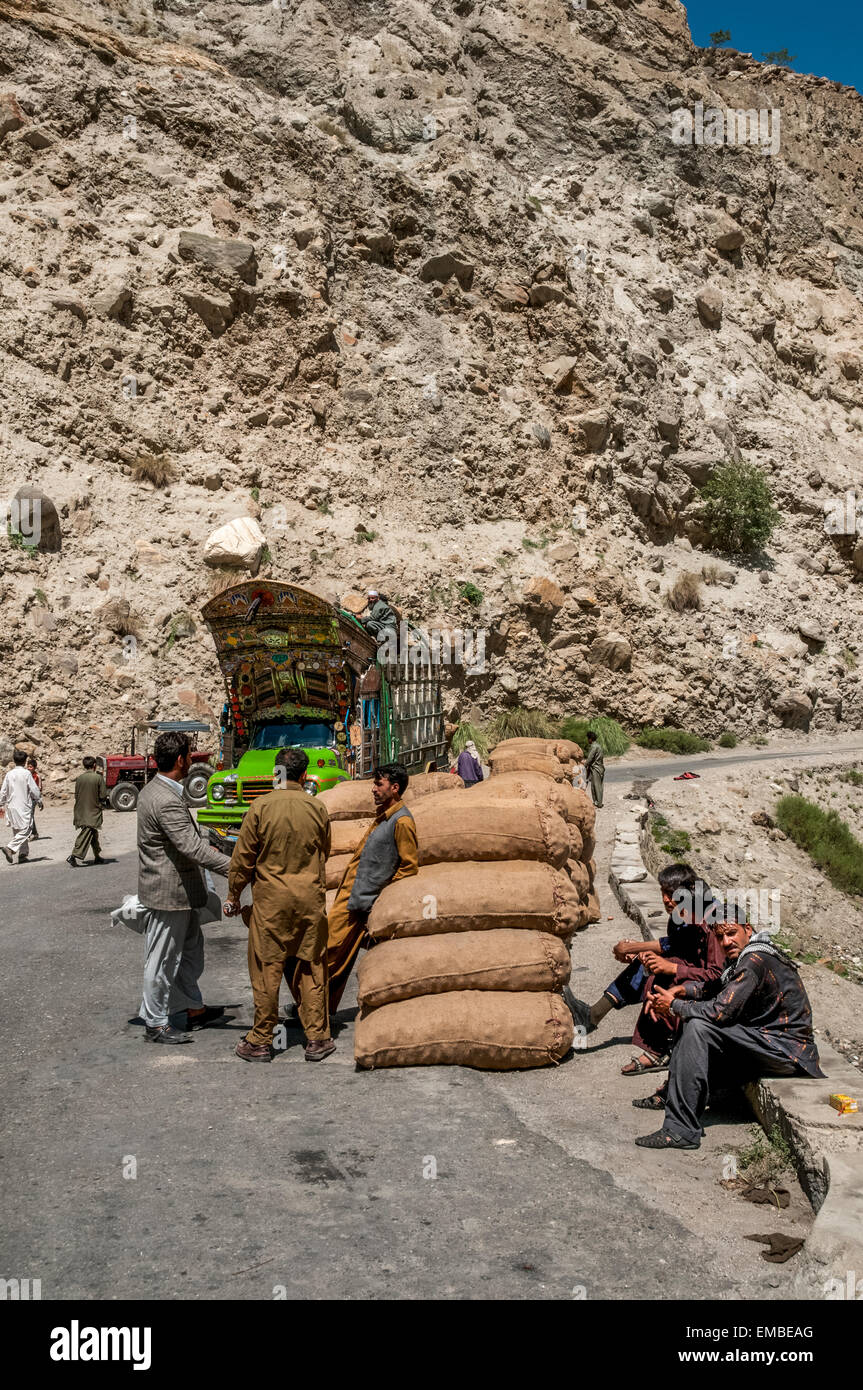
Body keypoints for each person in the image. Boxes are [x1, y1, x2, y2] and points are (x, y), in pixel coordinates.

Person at [634, 905, 824, 1151]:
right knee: (693, 1016)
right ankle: (672, 1095)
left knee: (699, 1026)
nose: (726, 941)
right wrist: (683, 990)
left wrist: (674, 1005)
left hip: (787, 1051)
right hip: (767, 1042)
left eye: (732, 933)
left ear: (747, 929)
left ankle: (680, 1130)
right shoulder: (745, 956)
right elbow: (715, 986)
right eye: (721, 937)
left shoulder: (755, 959)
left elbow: (720, 1011)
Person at [225, 748, 335, 1063]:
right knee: (311, 967)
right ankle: (317, 1039)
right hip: (309, 903)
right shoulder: (317, 807)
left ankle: (261, 1040)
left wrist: (234, 896)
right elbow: (324, 850)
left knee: (266, 969)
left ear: (277, 774)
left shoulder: (259, 808)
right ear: (303, 776)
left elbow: (242, 860)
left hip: (270, 904)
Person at [565, 864, 724, 1075]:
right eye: (664, 893)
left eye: (672, 895)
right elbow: (676, 944)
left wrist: (671, 966)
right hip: (693, 971)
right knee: (647, 963)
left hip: (708, 988)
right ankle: (594, 1017)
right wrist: (642, 953)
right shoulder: (683, 913)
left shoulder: (713, 922)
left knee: (660, 978)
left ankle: (661, 1048)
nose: (667, 900)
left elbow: (716, 975)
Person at [137, 730, 232, 1045]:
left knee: (191, 953)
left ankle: (192, 1008)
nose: (193, 760)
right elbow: (192, 848)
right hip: (169, 894)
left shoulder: (157, 790)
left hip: (181, 892)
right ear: (181, 759)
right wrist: (238, 868)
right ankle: (155, 1022)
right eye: (191, 755)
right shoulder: (165, 800)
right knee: (162, 960)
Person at [326, 762, 418, 1013]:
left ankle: (310, 1010)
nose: (374, 790)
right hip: (352, 897)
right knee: (337, 959)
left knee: (325, 953)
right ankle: (318, 1007)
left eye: (379, 784)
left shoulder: (402, 822)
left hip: (361, 903)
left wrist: (381, 901)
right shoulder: (384, 817)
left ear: (395, 788)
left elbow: (409, 867)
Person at [0, 749, 43, 865]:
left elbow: (3, 791)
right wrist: (39, 799)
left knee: (18, 830)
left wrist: (1, 803)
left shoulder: (9, 774)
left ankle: (23, 854)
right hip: (23, 806)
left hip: (11, 806)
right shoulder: (26, 773)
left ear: (14, 761)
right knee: (27, 830)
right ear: (24, 762)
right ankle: (10, 848)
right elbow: (34, 789)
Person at [67, 755, 108, 867]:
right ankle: (73, 855)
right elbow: (103, 795)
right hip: (93, 811)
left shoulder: (79, 778)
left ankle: (97, 856)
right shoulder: (98, 778)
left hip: (80, 810)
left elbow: (77, 795)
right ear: (94, 765)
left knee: (92, 833)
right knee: (87, 832)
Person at [584, 730, 605, 808]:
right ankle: (596, 802)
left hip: (596, 768)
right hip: (599, 768)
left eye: (588, 739)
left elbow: (590, 758)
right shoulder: (598, 745)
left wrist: (584, 765)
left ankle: (599, 803)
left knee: (597, 786)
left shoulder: (594, 746)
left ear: (590, 739)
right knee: (595, 786)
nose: (587, 740)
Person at [26, 756, 41, 840]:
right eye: (28, 766)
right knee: (28, 816)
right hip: (26, 798)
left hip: (33, 799)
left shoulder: (37, 776)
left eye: (30, 767)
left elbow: (39, 788)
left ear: (34, 768)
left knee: (30, 815)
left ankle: (29, 834)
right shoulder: (25, 775)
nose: (28, 768)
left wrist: (39, 800)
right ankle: (34, 833)